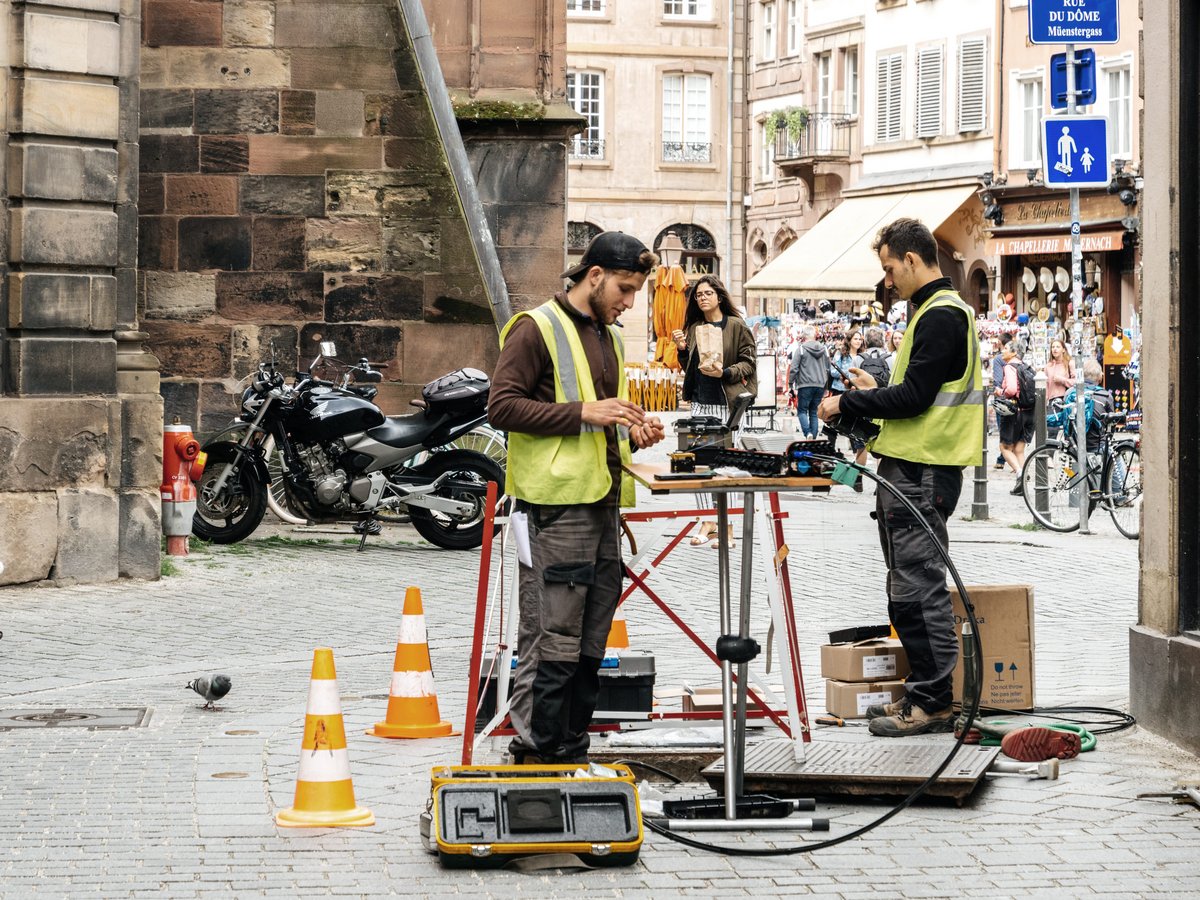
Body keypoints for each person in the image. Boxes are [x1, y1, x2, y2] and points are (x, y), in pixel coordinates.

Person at [489, 230, 667, 764]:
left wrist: (634, 429)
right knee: (555, 634)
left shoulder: (609, 336)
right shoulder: (535, 328)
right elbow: (501, 408)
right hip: (556, 507)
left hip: (602, 502)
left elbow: (604, 415)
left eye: (636, 292)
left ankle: (571, 744)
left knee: (591, 635)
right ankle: (539, 749)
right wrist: (585, 414)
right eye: (625, 289)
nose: (630, 303)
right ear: (594, 276)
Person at [817, 217, 983, 738]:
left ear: (912, 259)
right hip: (917, 467)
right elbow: (920, 391)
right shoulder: (936, 313)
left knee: (917, 589)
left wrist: (848, 400)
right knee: (906, 589)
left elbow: (913, 401)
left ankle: (933, 702)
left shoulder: (939, 315)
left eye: (890, 268)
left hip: (923, 471)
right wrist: (878, 385)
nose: (888, 280)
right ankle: (925, 696)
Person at [672, 274, 757, 545]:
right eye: (698, 295)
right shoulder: (695, 327)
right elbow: (691, 369)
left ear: (719, 296)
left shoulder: (735, 325)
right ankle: (707, 520)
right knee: (698, 462)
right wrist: (682, 350)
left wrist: (727, 372)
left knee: (726, 465)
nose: (702, 298)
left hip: (727, 404)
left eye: (707, 293)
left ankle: (728, 526)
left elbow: (749, 361)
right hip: (700, 402)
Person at [996, 340, 1035, 492]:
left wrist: (1000, 391)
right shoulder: (1027, 367)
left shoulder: (1009, 367)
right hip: (1029, 412)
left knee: (1004, 447)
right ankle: (1022, 487)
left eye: (1005, 348)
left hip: (1014, 412)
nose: (1002, 351)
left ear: (1013, 352)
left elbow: (1011, 389)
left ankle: (1020, 474)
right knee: (1019, 449)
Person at [788, 324, 828, 438]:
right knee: (813, 413)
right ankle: (813, 437)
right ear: (815, 336)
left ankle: (808, 433)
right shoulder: (823, 349)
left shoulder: (801, 349)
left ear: (804, 336)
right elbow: (827, 368)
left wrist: (791, 384)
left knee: (802, 411)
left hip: (805, 384)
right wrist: (826, 386)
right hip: (820, 385)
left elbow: (794, 368)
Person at [829, 328, 864, 454]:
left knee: (854, 421)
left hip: (855, 391)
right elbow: (832, 370)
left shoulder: (862, 356)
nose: (858, 341)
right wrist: (844, 375)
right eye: (855, 338)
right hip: (840, 390)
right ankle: (830, 447)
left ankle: (856, 449)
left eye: (860, 339)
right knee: (834, 419)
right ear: (849, 340)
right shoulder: (841, 353)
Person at [991, 331, 1014, 470]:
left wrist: (997, 390)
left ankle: (1004, 458)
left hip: (1003, 398)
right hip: (1016, 399)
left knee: (1004, 430)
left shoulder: (999, 359)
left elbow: (998, 380)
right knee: (1012, 429)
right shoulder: (1018, 357)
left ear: (1001, 343)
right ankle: (1008, 458)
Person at [1044, 337, 1075, 404]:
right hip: (1052, 402)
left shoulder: (1070, 363)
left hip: (1066, 400)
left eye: (1058, 347)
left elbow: (1076, 383)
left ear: (1063, 350)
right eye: (1053, 347)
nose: (1055, 349)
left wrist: (1062, 380)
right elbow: (1046, 385)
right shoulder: (1048, 366)